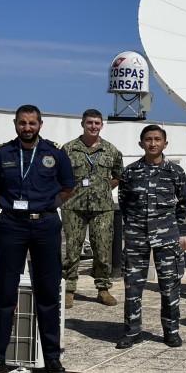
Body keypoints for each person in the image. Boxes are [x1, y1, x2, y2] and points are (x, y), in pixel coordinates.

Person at [0, 104, 73, 373]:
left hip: (45, 225)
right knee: (5, 293)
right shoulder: (2, 153)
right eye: (22, 123)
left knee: (48, 294)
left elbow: (68, 187)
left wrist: (46, 205)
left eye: (32, 123)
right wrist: (12, 207)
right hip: (12, 226)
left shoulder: (55, 153)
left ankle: (52, 358)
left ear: (40, 124)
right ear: (15, 124)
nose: (27, 127)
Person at [116, 125, 186, 349]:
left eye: (157, 139)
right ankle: (132, 331)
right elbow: (124, 202)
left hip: (167, 237)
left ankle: (171, 331)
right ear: (141, 144)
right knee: (133, 286)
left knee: (169, 286)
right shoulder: (130, 172)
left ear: (165, 144)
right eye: (148, 139)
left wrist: (170, 226)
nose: (153, 143)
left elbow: (184, 203)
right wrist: (135, 225)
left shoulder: (175, 172)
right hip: (136, 236)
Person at [61, 108, 124, 309]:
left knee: (102, 249)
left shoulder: (111, 150)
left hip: (103, 208)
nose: (93, 126)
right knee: (72, 250)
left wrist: (103, 189)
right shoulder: (68, 149)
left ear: (102, 125)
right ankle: (69, 290)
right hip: (73, 206)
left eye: (97, 123)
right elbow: (59, 176)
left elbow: (117, 175)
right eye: (89, 123)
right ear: (82, 124)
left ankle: (103, 289)